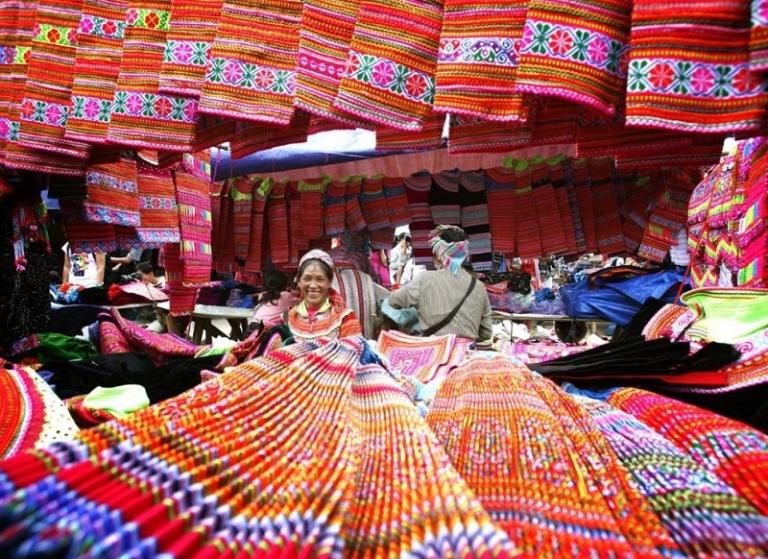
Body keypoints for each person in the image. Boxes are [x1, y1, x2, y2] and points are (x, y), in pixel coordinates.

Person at [388, 225, 493, 343]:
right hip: (465, 354)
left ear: (439, 255)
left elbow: (392, 301)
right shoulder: (479, 287)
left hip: (432, 353)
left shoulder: (425, 279)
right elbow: (486, 333)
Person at [285, 249, 362, 342]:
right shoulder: (289, 318)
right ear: (299, 281)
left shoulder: (345, 318)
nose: (313, 285)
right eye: (307, 279)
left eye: (320, 279)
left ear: (329, 282)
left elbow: (355, 352)